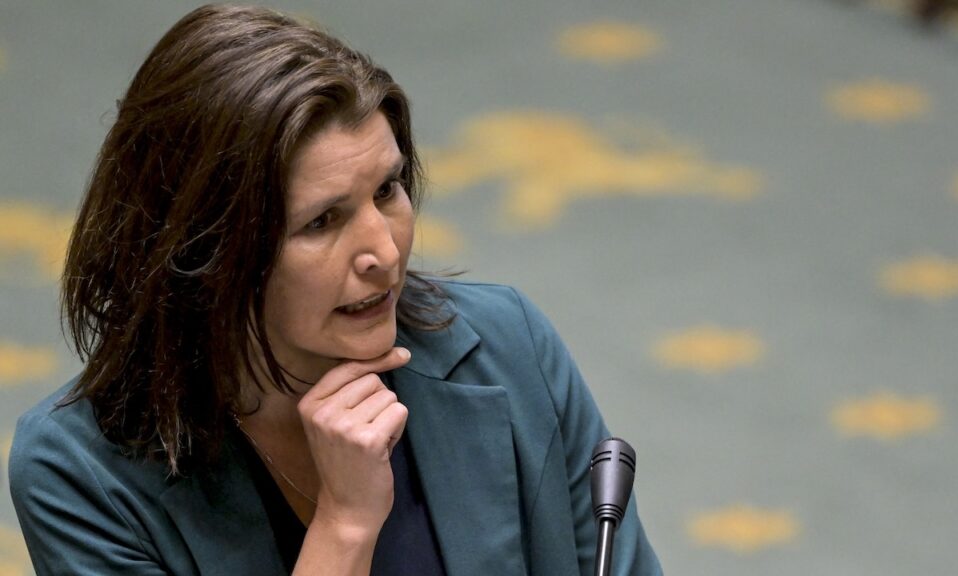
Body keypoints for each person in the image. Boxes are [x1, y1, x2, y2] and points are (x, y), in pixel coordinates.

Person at [7, 5, 662, 575]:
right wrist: (345, 527)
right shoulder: (78, 473)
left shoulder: (508, 346)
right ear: (204, 249)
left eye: (387, 190)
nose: (385, 253)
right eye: (322, 221)